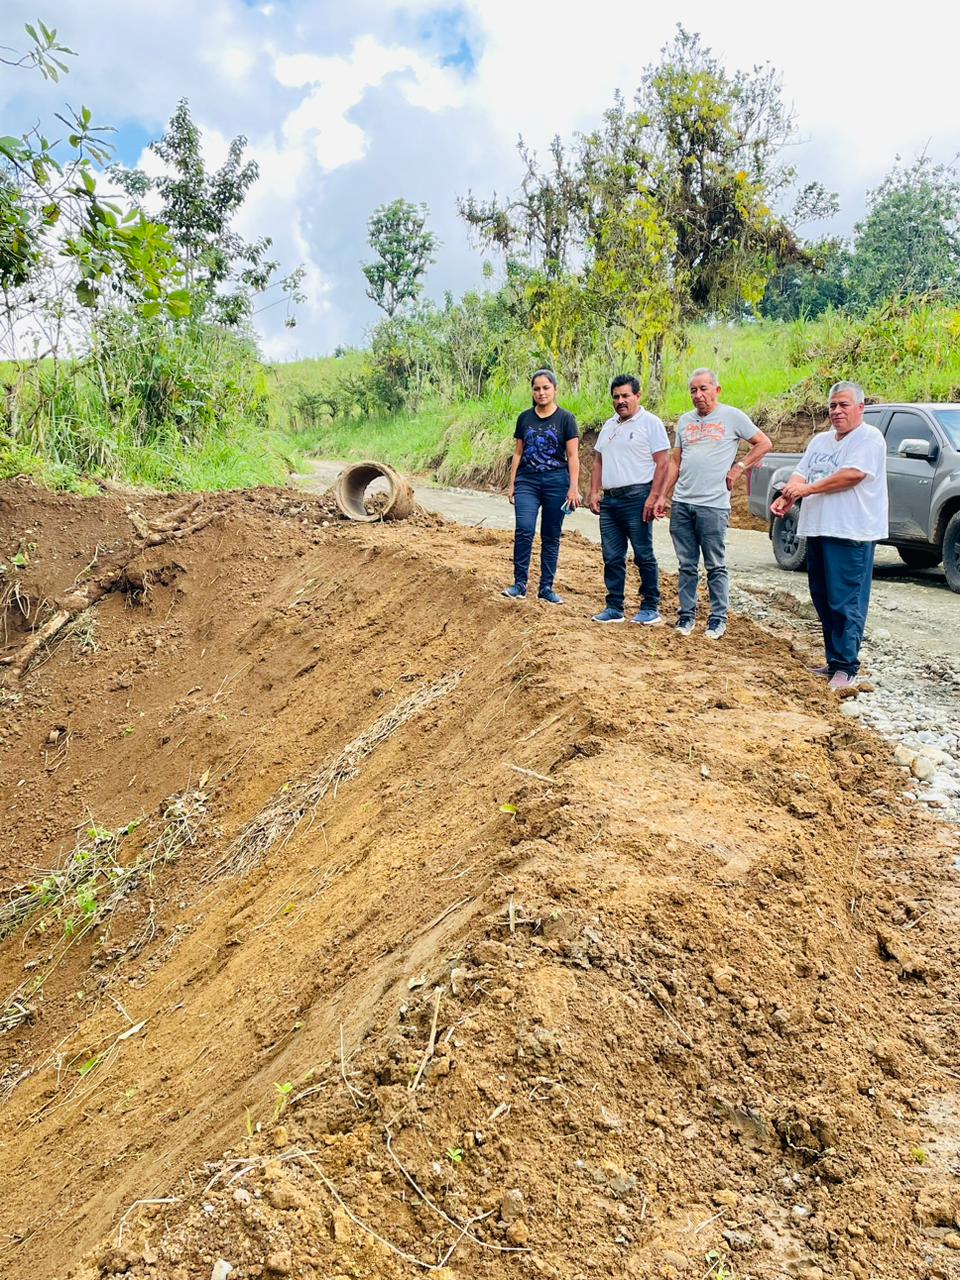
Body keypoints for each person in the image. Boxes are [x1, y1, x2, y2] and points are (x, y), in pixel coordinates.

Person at [771, 381, 887, 691]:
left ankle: (847, 667)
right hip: (818, 528)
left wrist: (806, 489)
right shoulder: (820, 441)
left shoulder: (868, 438)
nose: (836, 411)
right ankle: (834, 661)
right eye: (833, 405)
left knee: (845, 600)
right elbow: (801, 473)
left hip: (850, 531)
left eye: (844, 405)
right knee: (822, 598)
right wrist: (789, 495)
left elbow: (853, 475)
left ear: (860, 408)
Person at [656, 368, 771, 639]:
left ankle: (717, 619)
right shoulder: (684, 421)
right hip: (683, 503)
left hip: (714, 505)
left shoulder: (732, 417)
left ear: (716, 390)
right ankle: (686, 616)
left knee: (715, 565)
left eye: (703, 389)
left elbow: (764, 443)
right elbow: (675, 462)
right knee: (686, 564)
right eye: (693, 390)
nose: (698, 395)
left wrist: (739, 467)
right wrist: (662, 495)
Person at [587, 375, 670, 625]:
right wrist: (594, 491)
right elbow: (599, 460)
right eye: (616, 397)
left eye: (625, 396)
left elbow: (663, 463)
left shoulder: (650, 423)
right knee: (612, 556)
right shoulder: (609, 425)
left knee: (643, 554)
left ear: (637, 396)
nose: (620, 401)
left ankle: (650, 606)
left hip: (638, 498)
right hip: (610, 501)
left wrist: (654, 496)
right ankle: (614, 607)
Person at [503, 369, 580, 604]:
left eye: (546, 388)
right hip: (527, 481)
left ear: (555, 390)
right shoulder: (524, 418)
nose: (541, 392)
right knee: (524, 530)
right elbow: (518, 453)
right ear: (532, 392)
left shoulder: (566, 419)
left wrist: (573, 487)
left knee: (551, 535)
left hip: (557, 483)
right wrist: (512, 483)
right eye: (536, 388)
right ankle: (519, 584)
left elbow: (573, 456)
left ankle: (546, 587)